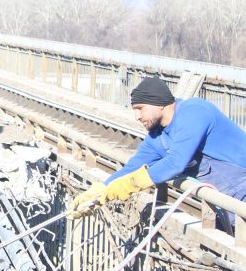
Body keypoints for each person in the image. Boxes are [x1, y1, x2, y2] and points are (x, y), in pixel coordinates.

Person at [68, 76, 246, 222]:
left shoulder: (194, 111)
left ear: (159, 103)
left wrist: (131, 184)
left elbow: (175, 162)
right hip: (224, 202)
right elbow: (133, 168)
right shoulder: (157, 137)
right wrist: (98, 192)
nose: (137, 116)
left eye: (140, 108)